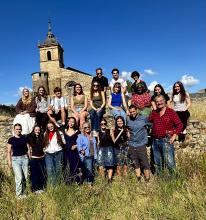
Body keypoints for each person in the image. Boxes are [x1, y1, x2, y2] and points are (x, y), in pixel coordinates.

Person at [149, 95, 183, 174]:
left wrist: (174, 136)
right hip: (155, 141)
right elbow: (149, 120)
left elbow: (179, 125)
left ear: (164, 101)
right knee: (157, 163)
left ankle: (174, 181)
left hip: (166, 140)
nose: (159, 103)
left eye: (160, 101)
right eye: (157, 102)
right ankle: (160, 181)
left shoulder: (170, 112)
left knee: (170, 163)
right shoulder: (154, 113)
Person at [126, 105, 150, 182]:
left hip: (141, 144)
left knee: (145, 163)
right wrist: (128, 132)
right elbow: (127, 128)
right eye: (131, 112)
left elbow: (151, 125)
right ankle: (139, 179)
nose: (132, 113)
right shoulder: (128, 120)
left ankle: (147, 180)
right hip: (132, 144)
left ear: (136, 110)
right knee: (135, 163)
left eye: (133, 111)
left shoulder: (144, 118)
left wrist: (147, 135)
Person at [7, 123, 31, 198]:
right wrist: (9, 161)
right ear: (14, 130)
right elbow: (8, 151)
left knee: (26, 177)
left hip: (24, 159)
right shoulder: (11, 139)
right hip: (15, 160)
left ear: (21, 129)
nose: (18, 130)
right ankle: (18, 195)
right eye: (16, 129)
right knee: (19, 178)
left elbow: (28, 149)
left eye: (19, 129)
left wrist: (29, 159)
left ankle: (24, 193)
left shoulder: (24, 138)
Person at [43, 121, 66, 186]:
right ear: (47, 128)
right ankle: (52, 185)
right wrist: (45, 150)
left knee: (58, 169)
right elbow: (44, 143)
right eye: (49, 127)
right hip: (48, 154)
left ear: (54, 126)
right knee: (50, 170)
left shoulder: (59, 132)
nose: (50, 128)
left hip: (58, 152)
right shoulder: (45, 133)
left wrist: (60, 144)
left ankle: (57, 185)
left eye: (51, 126)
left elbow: (64, 142)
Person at [28, 125, 46, 193]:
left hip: (41, 158)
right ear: (33, 130)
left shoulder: (42, 137)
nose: (37, 131)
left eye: (38, 130)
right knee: (34, 174)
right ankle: (34, 189)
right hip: (34, 158)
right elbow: (29, 146)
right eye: (36, 130)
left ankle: (41, 188)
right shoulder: (30, 137)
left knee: (41, 173)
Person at [64, 117, 82, 184]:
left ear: (74, 123)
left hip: (74, 152)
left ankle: (76, 181)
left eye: (73, 122)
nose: (71, 123)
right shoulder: (64, 131)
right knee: (67, 166)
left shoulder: (77, 132)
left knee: (75, 165)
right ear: (68, 122)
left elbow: (81, 142)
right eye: (70, 121)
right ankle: (68, 182)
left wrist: (76, 145)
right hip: (66, 151)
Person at [97, 118, 115, 183]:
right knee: (100, 164)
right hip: (101, 149)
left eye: (104, 123)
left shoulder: (110, 130)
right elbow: (98, 142)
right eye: (102, 124)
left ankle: (109, 179)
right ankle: (103, 179)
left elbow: (114, 140)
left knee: (110, 164)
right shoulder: (98, 132)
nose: (103, 125)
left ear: (106, 124)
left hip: (109, 148)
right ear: (100, 125)